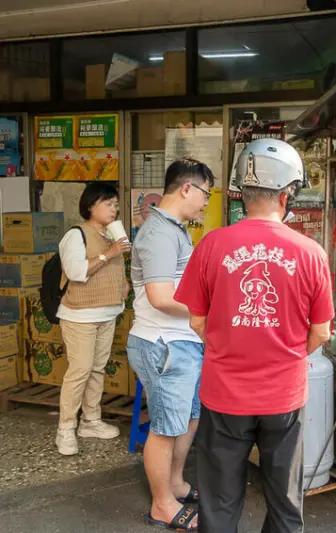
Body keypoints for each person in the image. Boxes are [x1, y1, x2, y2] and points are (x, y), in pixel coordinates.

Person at [173, 139, 334, 533]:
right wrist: (287, 353)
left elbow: (197, 322)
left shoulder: (211, 244)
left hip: (223, 395)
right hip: (284, 395)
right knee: (284, 500)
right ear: (287, 196)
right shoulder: (310, 252)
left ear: (242, 194)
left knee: (219, 501)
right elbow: (320, 332)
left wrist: (229, 347)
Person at [127, 158, 214, 531]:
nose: (206, 202)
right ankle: (162, 504)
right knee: (165, 427)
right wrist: (209, 310)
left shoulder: (173, 228)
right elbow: (161, 297)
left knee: (188, 418)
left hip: (181, 342)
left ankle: (175, 483)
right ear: (187, 188)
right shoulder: (159, 233)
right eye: (205, 194)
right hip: (163, 344)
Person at [55, 182, 130, 456]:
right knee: (80, 371)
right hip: (79, 316)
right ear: (90, 206)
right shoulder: (76, 235)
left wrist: (123, 282)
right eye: (108, 203)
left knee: (97, 369)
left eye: (116, 204)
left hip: (107, 313)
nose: (114, 209)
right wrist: (109, 253)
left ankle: (91, 420)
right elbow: (76, 271)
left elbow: (113, 268)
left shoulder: (111, 235)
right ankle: (65, 428)